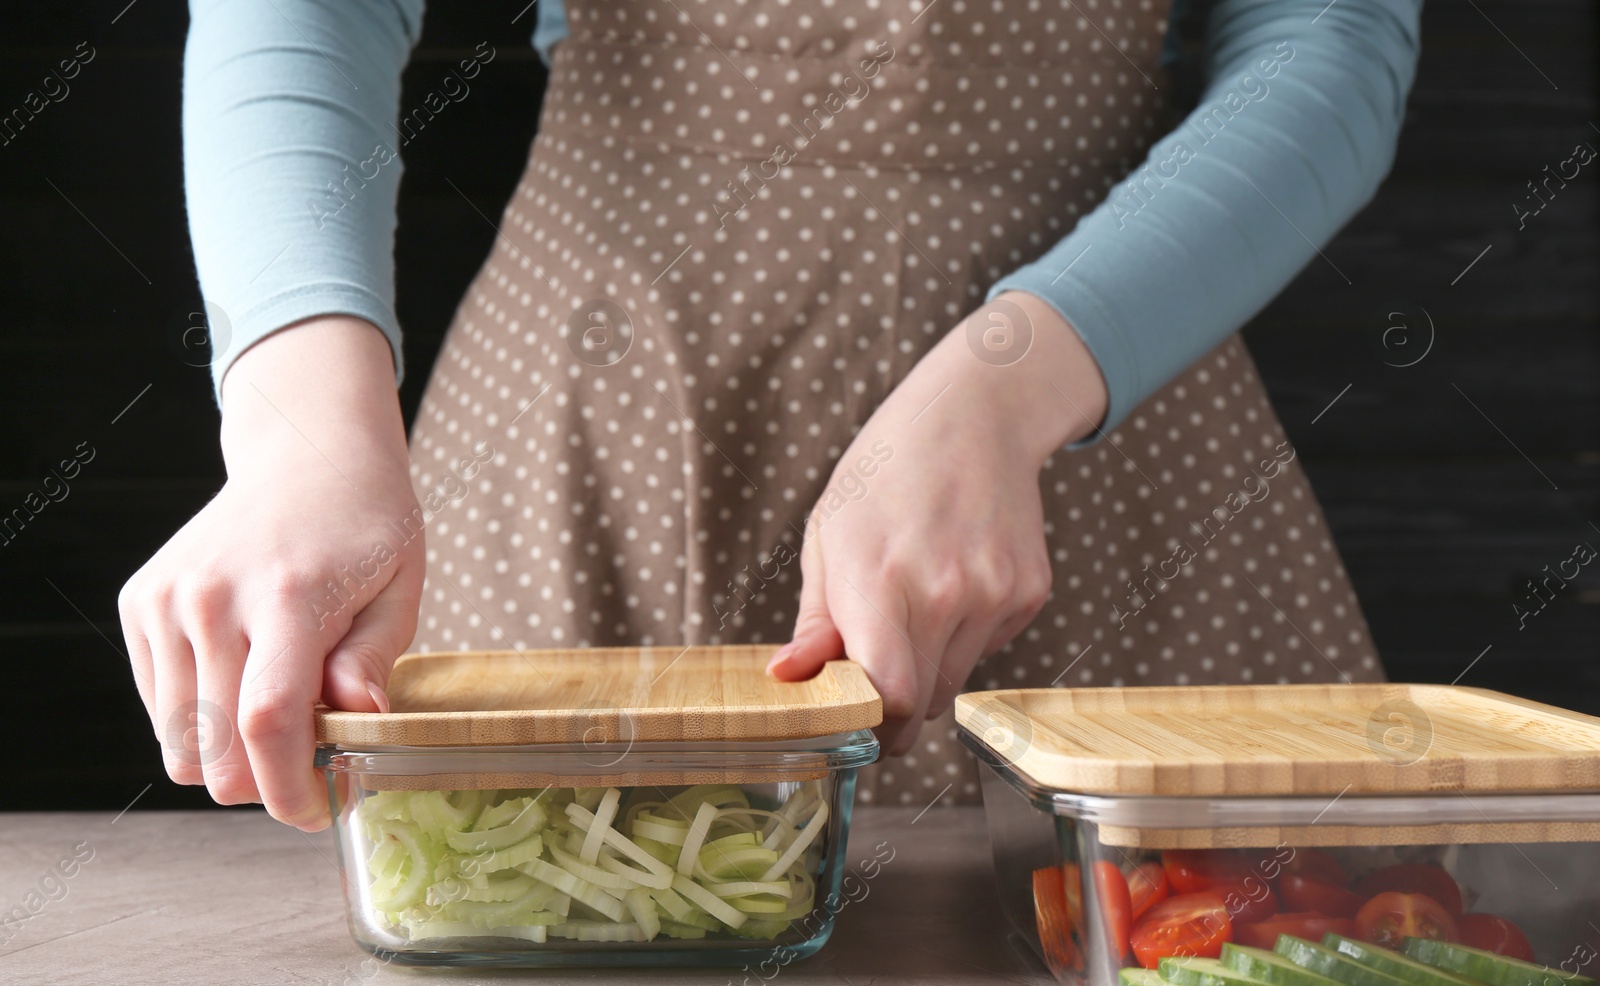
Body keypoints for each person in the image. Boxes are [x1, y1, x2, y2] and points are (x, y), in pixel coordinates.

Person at [120, 0, 1422, 829]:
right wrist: (306, 435)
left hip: (1111, 413)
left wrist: (1016, 386)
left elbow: (1329, 42)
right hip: (591, 427)